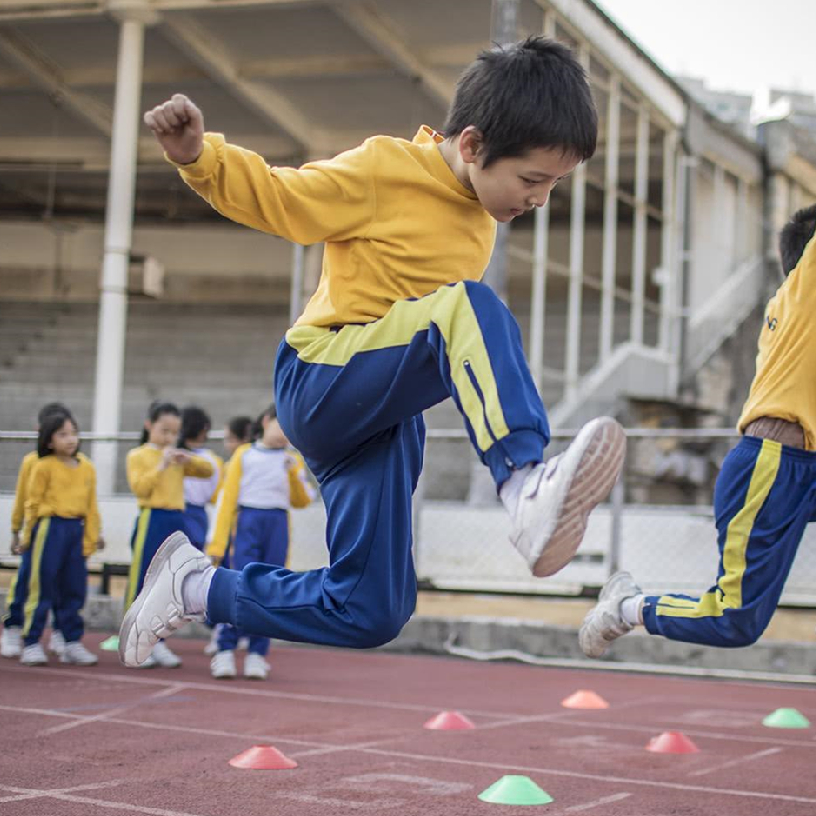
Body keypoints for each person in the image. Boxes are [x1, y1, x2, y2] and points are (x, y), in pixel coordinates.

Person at [119, 37, 624, 664]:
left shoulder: (481, 216)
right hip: (321, 377)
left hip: (380, 417)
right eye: (532, 179)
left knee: (371, 607)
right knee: (470, 305)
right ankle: (522, 481)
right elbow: (286, 199)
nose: (540, 199)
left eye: (555, 184)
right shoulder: (386, 169)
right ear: (471, 145)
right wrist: (199, 156)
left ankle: (194, 586)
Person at [579, 89, 816, 658]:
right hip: (768, 467)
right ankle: (626, 606)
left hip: (807, 470)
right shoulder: (810, 290)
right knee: (736, 623)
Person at [205, 405, 312, 680]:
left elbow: (302, 500)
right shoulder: (244, 455)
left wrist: (293, 474)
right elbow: (226, 501)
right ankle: (225, 649)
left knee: (270, 586)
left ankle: (257, 653)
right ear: (266, 421)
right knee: (239, 583)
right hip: (247, 522)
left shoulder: (292, 459)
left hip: (277, 523)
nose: (286, 433)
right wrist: (216, 545)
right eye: (282, 424)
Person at [124, 400, 215, 668]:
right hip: (152, 517)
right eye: (164, 430)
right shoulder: (138, 455)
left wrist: (188, 459)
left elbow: (207, 470)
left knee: (167, 584)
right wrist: (161, 466)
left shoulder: (178, 457)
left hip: (177, 519)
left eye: (174, 432)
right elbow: (140, 488)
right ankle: (134, 644)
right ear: (149, 425)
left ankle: (157, 643)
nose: (169, 438)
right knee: (143, 581)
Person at [15, 411, 101, 666]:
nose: (70, 439)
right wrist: (27, 535)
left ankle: (71, 641)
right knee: (42, 586)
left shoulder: (86, 467)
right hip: (49, 528)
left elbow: (92, 506)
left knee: (74, 588)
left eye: (73, 432)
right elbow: (33, 503)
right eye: (63, 434)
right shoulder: (43, 466)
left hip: (76, 529)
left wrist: (91, 538)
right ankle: (31, 642)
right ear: (49, 440)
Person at [0, 401, 72, 658]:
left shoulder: (76, 465)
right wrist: (16, 530)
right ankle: (12, 626)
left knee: (62, 585)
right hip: (38, 531)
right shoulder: (32, 462)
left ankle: (60, 632)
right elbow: (23, 498)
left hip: (63, 535)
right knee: (26, 582)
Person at [178, 406, 222, 550]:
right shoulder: (212, 459)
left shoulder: (172, 455)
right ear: (204, 429)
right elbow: (215, 493)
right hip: (198, 512)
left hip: (183, 511)